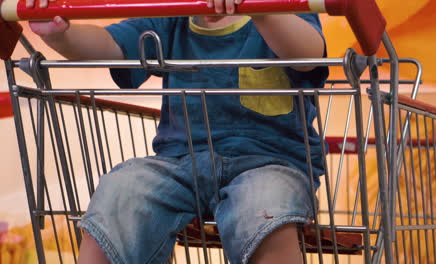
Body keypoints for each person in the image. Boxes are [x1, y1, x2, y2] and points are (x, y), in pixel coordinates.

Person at [28, 0, 329, 262]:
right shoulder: (172, 19)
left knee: (266, 208)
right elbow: (111, 44)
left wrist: (261, 11)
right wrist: (62, 34)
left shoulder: (284, 9)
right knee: (121, 189)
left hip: (270, 164)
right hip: (179, 163)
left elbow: (309, 55)